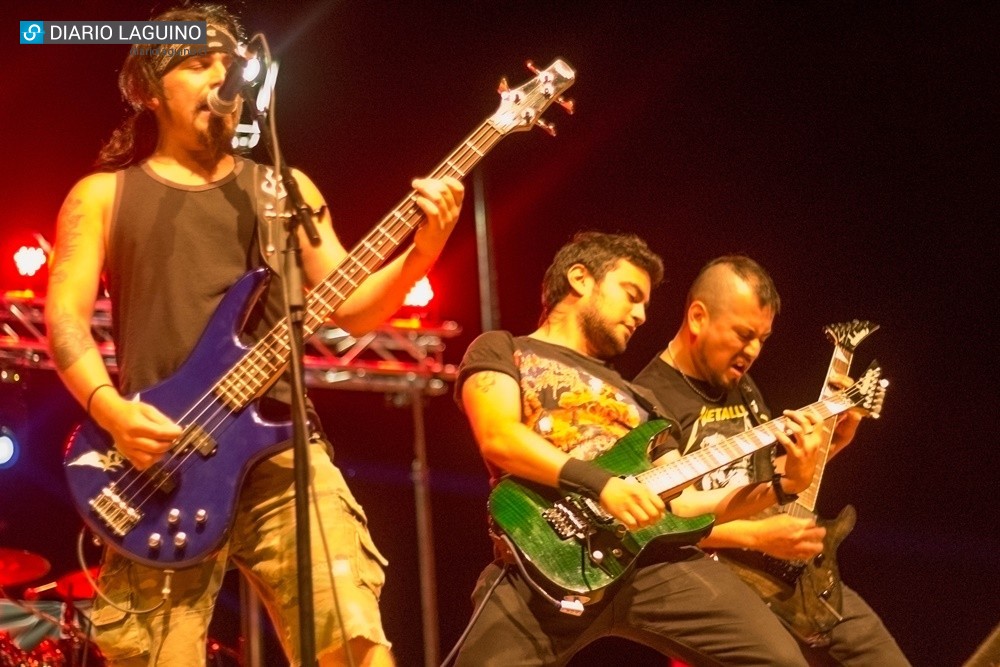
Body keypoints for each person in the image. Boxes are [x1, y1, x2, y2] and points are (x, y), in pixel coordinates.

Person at [44, 4, 464, 666]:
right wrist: (110, 410)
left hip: (281, 453)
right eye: (195, 63)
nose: (220, 76)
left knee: (354, 647)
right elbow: (65, 317)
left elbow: (350, 308)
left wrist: (423, 253)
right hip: (155, 467)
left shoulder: (284, 188)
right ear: (149, 89)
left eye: (227, 63)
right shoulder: (102, 195)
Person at [451, 232, 828, 666]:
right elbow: (500, 437)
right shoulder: (505, 349)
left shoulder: (641, 400)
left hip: (655, 564)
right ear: (580, 279)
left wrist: (782, 485)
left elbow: (684, 504)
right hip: (543, 559)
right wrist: (604, 485)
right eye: (631, 296)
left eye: (645, 304)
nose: (641, 315)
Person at [633, 255, 909, 666]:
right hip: (716, 584)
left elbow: (768, 482)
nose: (754, 351)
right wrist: (757, 537)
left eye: (762, 338)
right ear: (696, 317)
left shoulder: (739, 383)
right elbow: (664, 520)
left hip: (788, 573)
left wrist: (830, 446)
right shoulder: (648, 399)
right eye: (744, 335)